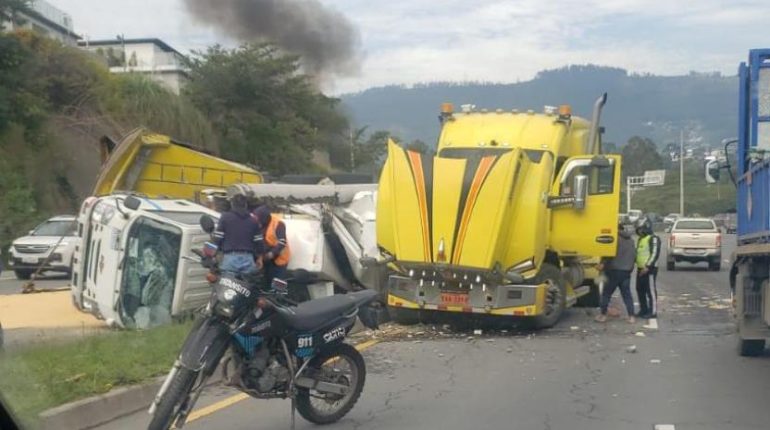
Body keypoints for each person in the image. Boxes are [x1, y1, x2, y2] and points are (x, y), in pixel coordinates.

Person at [595, 223, 637, 323]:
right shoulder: (631, 241)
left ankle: (603, 315)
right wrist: (629, 269)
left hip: (614, 271)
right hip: (626, 272)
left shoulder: (614, 239)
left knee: (606, 294)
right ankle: (631, 317)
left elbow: (609, 254)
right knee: (627, 295)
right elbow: (634, 256)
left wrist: (602, 264)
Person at [213, 194, 260, 276]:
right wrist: (260, 257)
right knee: (247, 286)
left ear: (232, 204)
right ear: (245, 205)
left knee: (228, 285)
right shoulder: (253, 220)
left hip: (230, 258)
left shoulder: (225, 217)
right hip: (248, 258)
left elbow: (218, 238)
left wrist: (213, 253)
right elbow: (259, 242)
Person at [252, 205, 291, 284]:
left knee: (278, 284)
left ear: (264, 218)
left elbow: (282, 242)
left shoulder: (278, 224)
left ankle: (278, 295)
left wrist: (271, 254)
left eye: (258, 219)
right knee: (265, 282)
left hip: (280, 258)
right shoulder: (258, 224)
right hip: (265, 257)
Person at [635, 217, 662, 319]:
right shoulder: (641, 239)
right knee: (639, 289)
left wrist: (648, 266)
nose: (639, 232)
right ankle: (643, 309)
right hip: (640, 268)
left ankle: (653, 311)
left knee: (650, 290)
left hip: (650, 269)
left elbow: (655, 253)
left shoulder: (653, 238)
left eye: (641, 229)